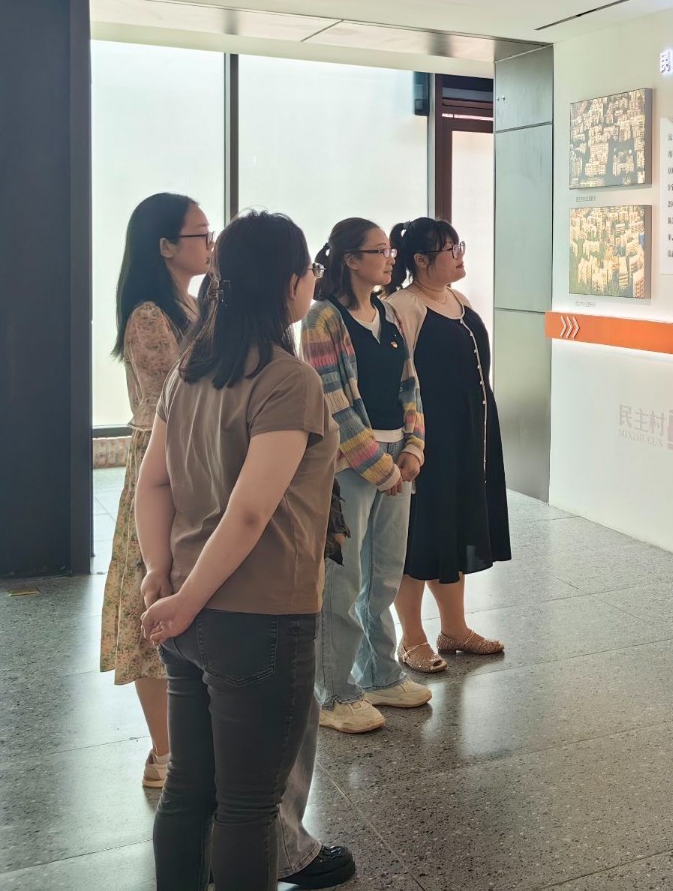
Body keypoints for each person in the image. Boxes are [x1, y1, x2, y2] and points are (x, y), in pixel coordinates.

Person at [137, 212, 349, 890]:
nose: (312, 278)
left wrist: (161, 577)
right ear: (287, 283)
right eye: (307, 269)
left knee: (189, 788)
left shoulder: (190, 371)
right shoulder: (287, 381)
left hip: (189, 614)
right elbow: (251, 510)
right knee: (249, 808)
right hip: (260, 619)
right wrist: (186, 597)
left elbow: (152, 482)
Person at [300, 219, 432, 734]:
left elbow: (410, 386)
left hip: (397, 457)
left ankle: (380, 674)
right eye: (378, 251)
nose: (389, 258)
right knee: (343, 578)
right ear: (350, 260)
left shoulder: (387, 312)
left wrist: (413, 448)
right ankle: (335, 692)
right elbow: (332, 401)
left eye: (388, 250)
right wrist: (380, 468)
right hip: (350, 463)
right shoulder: (322, 318)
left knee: (384, 573)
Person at [102, 193, 210, 790]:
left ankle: (181, 746)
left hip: (189, 462)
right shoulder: (149, 314)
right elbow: (179, 395)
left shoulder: (189, 302)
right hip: (161, 468)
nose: (209, 245)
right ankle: (164, 753)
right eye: (200, 235)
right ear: (166, 246)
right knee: (155, 597)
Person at [387, 218, 511, 671]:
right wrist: (412, 443)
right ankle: (411, 637)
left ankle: (454, 629)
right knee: (419, 536)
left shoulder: (459, 300)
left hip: (469, 435)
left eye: (460, 246)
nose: (460, 255)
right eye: (450, 249)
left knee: (454, 528)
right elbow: (399, 381)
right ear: (421, 261)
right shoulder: (403, 306)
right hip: (428, 441)